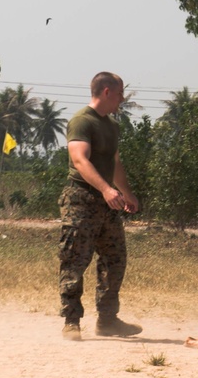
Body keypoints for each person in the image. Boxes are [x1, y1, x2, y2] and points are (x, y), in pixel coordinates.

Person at [58, 72, 141, 341]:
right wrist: (105, 189)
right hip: (81, 200)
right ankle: (71, 321)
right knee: (74, 261)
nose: (122, 99)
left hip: (107, 205)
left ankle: (107, 320)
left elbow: (114, 163)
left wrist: (126, 193)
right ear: (106, 92)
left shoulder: (112, 126)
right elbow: (80, 160)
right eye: (120, 94)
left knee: (115, 260)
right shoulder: (82, 121)